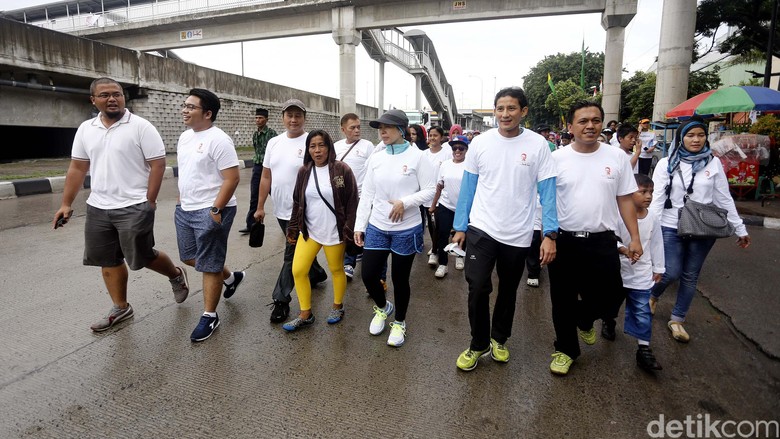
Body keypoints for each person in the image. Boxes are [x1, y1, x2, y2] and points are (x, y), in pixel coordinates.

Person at [53, 77, 190, 333]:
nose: (112, 98)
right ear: (93, 100)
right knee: (108, 258)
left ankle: (175, 275)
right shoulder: (86, 129)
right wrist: (66, 203)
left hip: (135, 204)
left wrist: (149, 201)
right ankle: (121, 307)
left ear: (123, 97)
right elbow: (78, 167)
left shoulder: (141, 127)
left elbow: (157, 164)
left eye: (116, 94)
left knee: (142, 256)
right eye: (104, 95)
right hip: (98, 207)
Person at [452, 87, 558, 372]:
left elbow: (548, 192)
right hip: (482, 228)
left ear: (523, 111)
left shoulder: (538, 145)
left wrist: (549, 234)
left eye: (511, 108)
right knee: (477, 287)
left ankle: (499, 338)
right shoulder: (481, 143)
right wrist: (460, 226)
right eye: (500, 108)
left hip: (518, 233)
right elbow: (468, 188)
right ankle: (478, 343)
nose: (505, 114)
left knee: (508, 290)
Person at [548, 101, 642, 376]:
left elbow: (625, 199)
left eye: (596, 120)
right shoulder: (556, 159)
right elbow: (546, 202)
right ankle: (565, 350)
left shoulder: (617, 158)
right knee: (562, 299)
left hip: (603, 241)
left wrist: (634, 237)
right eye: (583, 121)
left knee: (611, 296)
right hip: (565, 240)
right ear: (570, 127)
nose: (590, 126)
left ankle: (584, 318)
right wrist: (547, 236)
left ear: (602, 124)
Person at [649, 118, 750, 343]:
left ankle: (677, 320)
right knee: (670, 272)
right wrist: (648, 230)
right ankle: (653, 295)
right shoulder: (666, 163)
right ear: (681, 138)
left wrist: (739, 228)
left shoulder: (713, 164)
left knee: (690, 275)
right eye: (690, 135)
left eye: (701, 135)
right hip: (670, 225)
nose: (696, 140)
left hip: (703, 228)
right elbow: (656, 199)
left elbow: (724, 199)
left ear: (706, 138)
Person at [354, 109, 436, 348]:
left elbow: (430, 190)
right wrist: (360, 225)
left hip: (406, 228)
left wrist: (405, 202)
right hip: (378, 225)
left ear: (401, 130)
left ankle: (399, 321)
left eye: (387, 127)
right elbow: (367, 193)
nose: (382, 131)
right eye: (380, 128)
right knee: (368, 275)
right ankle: (382, 308)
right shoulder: (376, 158)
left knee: (400, 280)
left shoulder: (418, 157)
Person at [174, 88, 244, 342]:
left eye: (191, 107)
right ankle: (232, 277)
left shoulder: (219, 139)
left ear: (207, 113)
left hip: (212, 208)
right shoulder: (184, 137)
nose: (185, 110)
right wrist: (180, 200)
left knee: (209, 264)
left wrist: (216, 209)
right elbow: (187, 172)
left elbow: (232, 177)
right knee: (190, 257)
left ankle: (209, 316)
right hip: (186, 208)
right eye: (185, 105)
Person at [254, 99, 328, 323]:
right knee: (298, 250)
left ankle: (281, 300)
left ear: (304, 118)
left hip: (305, 212)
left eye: (298, 115)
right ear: (283, 117)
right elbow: (266, 175)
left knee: (290, 254)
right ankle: (315, 272)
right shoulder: (274, 143)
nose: (293, 120)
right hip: (281, 209)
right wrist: (259, 207)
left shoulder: (312, 142)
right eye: (289, 115)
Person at [282, 130, 359, 331]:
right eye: (312, 146)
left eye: (321, 145)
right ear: (308, 150)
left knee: (336, 270)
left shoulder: (342, 170)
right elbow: (297, 201)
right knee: (298, 270)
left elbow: (352, 202)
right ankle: (305, 313)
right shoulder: (304, 171)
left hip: (335, 232)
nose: (317, 150)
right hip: (309, 232)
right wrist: (292, 228)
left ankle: (337, 306)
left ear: (329, 147)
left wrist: (350, 229)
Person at [616, 174, 665, 371]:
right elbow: (612, 238)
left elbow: (656, 243)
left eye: (651, 192)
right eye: (643, 191)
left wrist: (658, 267)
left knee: (642, 312)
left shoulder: (652, 217)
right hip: (619, 270)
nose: (648, 196)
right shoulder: (618, 214)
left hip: (642, 274)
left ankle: (643, 349)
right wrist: (624, 250)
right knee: (610, 305)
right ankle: (609, 322)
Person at [334, 113, 375, 281]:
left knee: (362, 226)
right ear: (343, 129)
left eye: (358, 127)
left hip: (362, 195)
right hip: (342, 196)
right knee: (346, 229)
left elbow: (373, 170)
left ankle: (360, 255)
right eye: (353, 127)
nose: (357, 130)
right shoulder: (336, 146)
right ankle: (349, 262)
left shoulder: (367, 146)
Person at [428, 134, 469, 278]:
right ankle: (443, 264)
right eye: (454, 148)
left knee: (463, 235)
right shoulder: (445, 165)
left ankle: (459, 256)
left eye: (461, 148)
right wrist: (433, 205)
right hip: (446, 205)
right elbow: (439, 187)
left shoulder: (470, 165)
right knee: (442, 234)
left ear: (466, 149)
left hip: (463, 209)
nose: (457, 151)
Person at [239, 108, 277, 234]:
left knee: (277, 195)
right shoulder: (255, 135)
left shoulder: (272, 134)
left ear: (266, 119)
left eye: (260, 118)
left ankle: (289, 222)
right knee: (255, 196)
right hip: (257, 167)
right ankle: (251, 225)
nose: (258, 120)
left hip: (269, 168)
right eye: (256, 118)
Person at [422, 126, 453, 267]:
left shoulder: (447, 153)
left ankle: (437, 252)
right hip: (428, 195)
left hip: (442, 196)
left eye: (435, 135)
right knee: (432, 225)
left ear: (441, 137)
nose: (432, 138)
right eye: (430, 135)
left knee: (441, 227)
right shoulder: (424, 154)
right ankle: (435, 248)